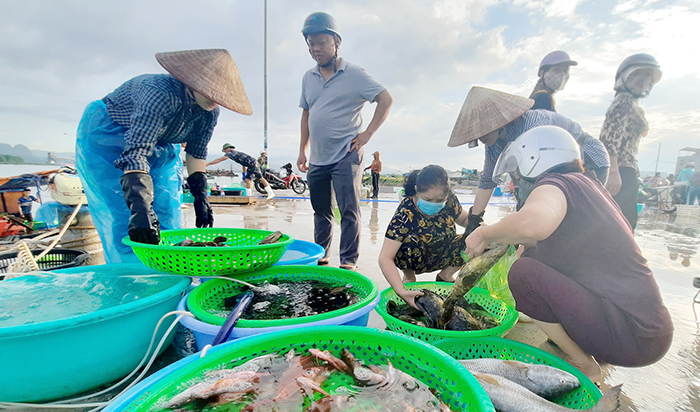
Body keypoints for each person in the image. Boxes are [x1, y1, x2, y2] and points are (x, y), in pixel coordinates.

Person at [464, 125, 673, 382]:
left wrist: (484, 234)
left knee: (523, 273)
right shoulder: (588, 184)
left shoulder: (555, 183)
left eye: (516, 176)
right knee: (530, 256)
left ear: (534, 162)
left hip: (631, 336)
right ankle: (574, 345)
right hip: (646, 330)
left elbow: (533, 225)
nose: (515, 184)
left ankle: (583, 364)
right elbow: (534, 238)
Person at [76, 49, 252, 263]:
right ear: (192, 81)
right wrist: (140, 206)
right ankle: (132, 277)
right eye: (210, 91)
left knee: (167, 209)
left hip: (162, 142)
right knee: (127, 215)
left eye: (220, 96)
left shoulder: (209, 110)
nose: (215, 100)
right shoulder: (158, 94)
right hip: (110, 134)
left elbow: (196, 152)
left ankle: (168, 268)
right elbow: (136, 152)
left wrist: (200, 196)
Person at [297, 12, 394, 270]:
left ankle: (348, 263)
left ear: (336, 42)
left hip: (346, 154)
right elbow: (307, 114)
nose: (315, 48)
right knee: (321, 212)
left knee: (348, 211)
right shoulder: (308, 78)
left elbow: (386, 100)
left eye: (321, 42)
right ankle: (322, 256)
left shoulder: (354, 74)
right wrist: (302, 150)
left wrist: (368, 134)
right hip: (318, 156)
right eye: (311, 43)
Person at [448, 86, 610, 230]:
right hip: (544, 176)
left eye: (483, 132)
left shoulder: (533, 126)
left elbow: (546, 176)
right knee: (532, 214)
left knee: (567, 220)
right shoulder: (493, 144)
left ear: (498, 123)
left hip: (586, 158)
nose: (480, 139)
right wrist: (474, 222)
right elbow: (487, 181)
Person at [379, 165, 470, 308]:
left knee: (471, 239)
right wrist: (401, 291)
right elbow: (385, 258)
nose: (434, 204)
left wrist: (486, 232)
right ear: (416, 190)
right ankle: (409, 277)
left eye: (440, 200)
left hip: (443, 252)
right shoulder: (405, 212)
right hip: (416, 257)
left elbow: (465, 219)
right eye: (428, 199)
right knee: (407, 243)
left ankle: (446, 275)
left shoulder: (450, 200)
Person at [600, 53, 662, 229]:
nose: (643, 80)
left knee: (622, 222)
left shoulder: (632, 103)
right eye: (637, 74)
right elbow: (609, 136)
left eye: (647, 76)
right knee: (621, 223)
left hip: (627, 170)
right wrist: (612, 171)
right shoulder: (624, 100)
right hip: (621, 169)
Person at [207, 144, 275, 200]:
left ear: (228, 148)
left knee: (260, 178)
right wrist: (244, 173)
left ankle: (271, 193)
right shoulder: (236, 154)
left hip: (253, 164)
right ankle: (248, 196)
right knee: (247, 180)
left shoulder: (231, 153)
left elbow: (220, 159)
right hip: (249, 165)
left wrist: (208, 163)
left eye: (225, 151)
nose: (225, 152)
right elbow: (243, 164)